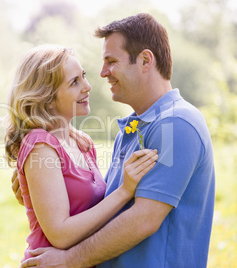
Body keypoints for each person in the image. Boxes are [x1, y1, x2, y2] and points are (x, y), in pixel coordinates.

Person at [17, 13, 216, 268]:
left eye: (111, 61)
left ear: (145, 60)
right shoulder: (132, 128)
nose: (102, 74)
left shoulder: (177, 123)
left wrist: (69, 260)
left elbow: (143, 219)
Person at [4, 44, 158, 264]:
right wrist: (124, 191)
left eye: (83, 77)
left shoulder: (82, 142)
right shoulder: (40, 145)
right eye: (74, 82)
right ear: (47, 96)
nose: (87, 87)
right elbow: (61, 234)